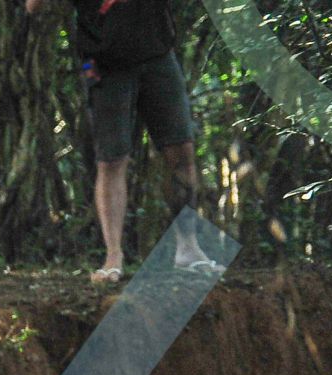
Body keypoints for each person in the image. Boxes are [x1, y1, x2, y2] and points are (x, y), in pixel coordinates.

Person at [27, 0, 226, 282]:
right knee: (111, 159)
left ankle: (189, 248)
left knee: (181, 151)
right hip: (101, 62)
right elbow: (33, 6)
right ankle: (113, 257)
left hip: (158, 52)